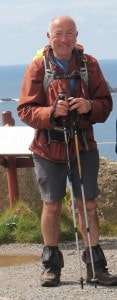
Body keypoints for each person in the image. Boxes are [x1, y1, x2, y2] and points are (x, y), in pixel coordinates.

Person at [17, 15, 117, 287]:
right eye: (58, 33)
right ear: (48, 37)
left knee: (89, 203)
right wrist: (51, 112)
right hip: (49, 146)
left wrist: (88, 106)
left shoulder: (90, 64)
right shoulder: (39, 66)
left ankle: (96, 268)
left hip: (83, 143)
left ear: (76, 35)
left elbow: (105, 105)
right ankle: (51, 268)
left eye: (69, 33)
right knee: (51, 205)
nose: (63, 38)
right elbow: (25, 110)